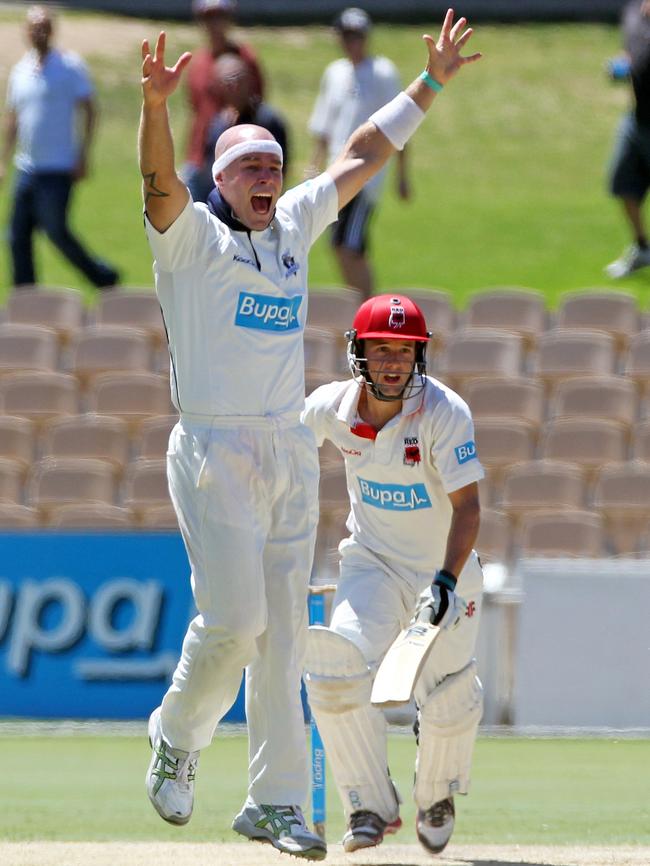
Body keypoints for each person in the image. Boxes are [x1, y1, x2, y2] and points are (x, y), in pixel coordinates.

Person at [138, 11, 480, 859]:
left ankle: (278, 803)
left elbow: (362, 152)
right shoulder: (195, 241)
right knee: (236, 623)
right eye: (250, 166)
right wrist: (154, 109)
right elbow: (157, 188)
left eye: (274, 166)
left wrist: (429, 84)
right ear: (220, 177)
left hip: (287, 448)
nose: (268, 176)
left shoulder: (290, 226)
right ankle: (177, 734)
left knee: (287, 632)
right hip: (215, 450)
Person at [301, 293, 485, 855]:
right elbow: (284, 458)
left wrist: (445, 584)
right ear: (357, 353)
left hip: (445, 573)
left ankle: (436, 794)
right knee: (333, 668)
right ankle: (369, 806)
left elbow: (469, 508)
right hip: (372, 563)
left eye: (404, 351)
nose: (392, 362)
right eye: (380, 349)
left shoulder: (443, 412)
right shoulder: (329, 408)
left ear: (418, 357)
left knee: (450, 699)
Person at [0, 5, 119, 289]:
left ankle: (102, 277)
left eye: (44, 26)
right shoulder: (20, 71)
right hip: (26, 167)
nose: (38, 31)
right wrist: (4, 160)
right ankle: (25, 296)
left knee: (55, 231)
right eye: (33, 26)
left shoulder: (69, 67)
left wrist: (83, 154)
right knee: (17, 235)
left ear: (52, 31)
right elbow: (13, 119)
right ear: (25, 31)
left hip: (58, 167)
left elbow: (89, 109)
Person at [308, 7, 411, 300]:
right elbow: (324, 126)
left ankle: (366, 303)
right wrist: (314, 167)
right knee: (343, 244)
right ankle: (361, 302)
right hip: (335, 170)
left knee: (348, 245)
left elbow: (401, 123)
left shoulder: (382, 72)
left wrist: (402, 176)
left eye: (357, 36)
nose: (352, 42)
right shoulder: (335, 73)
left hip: (367, 174)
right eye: (347, 36)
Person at [183, 0, 264, 203]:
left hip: (232, 159)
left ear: (229, 19)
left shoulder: (244, 58)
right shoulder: (198, 62)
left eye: (220, 16)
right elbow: (195, 108)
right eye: (208, 17)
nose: (214, 23)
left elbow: (258, 103)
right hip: (199, 157)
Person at [199, 54, 290, 197]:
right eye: (228, 82)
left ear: (249, 81)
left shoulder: (268, 121)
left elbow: (279, 168)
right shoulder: (218, 123)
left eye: (238, 80)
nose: (234, 87)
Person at [605, 0, 650, 278]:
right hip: (637, 119)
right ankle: (642, 247)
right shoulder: (633, 13)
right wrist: (623, 64)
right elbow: (630, 49)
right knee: (623, 184)